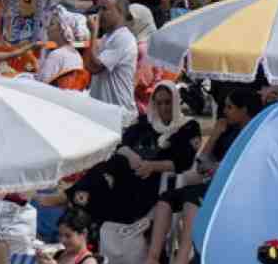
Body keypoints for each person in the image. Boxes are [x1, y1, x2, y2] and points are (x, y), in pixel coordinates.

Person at [130, 87, 257, 264]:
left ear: (243, 110)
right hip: (214, 183)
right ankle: (153, 258)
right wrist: (214, 136)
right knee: (166, 198)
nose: (225, 112)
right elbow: (200, 163)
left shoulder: (252, 135)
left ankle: (182, 261)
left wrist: (214, 168)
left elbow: (243, 167)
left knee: (191, 199)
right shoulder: (228, 132)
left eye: (230, 107)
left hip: (235, 189)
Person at [64, 81, 199, 224]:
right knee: (112, 165)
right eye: (159, 103)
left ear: (176, 102)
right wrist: (131, 155)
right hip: (127, 168)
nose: (163, 107)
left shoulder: (188, 127)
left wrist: (152, 166)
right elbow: (121, 143)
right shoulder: (145, 122)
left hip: (155, 178)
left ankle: (71, 198)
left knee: (112, 171)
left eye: (167, 102)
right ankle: (79, 210)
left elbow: (185, 161)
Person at [78, 0, 139, 112]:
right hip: (104, 111)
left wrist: (93, 33)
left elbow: (94, 67)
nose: (100, 14)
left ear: (120, 11)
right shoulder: (108, 37)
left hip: (118, 112)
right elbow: (89, 63)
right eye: (98, 9)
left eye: (104, 9)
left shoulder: (123, 37)